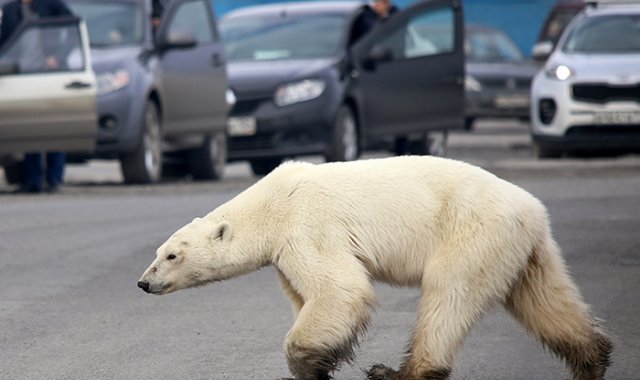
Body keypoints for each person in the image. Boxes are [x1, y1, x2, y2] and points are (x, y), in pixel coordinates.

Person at [0, 0, 73, 193]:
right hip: (21, 76)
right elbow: (4, 43)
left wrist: (58, 56)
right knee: (30, 129)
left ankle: (54, 178)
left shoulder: (52, 5)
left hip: (49, 74)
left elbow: (73, 28)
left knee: (54, 127)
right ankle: (32, 181)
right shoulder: (10, 10)